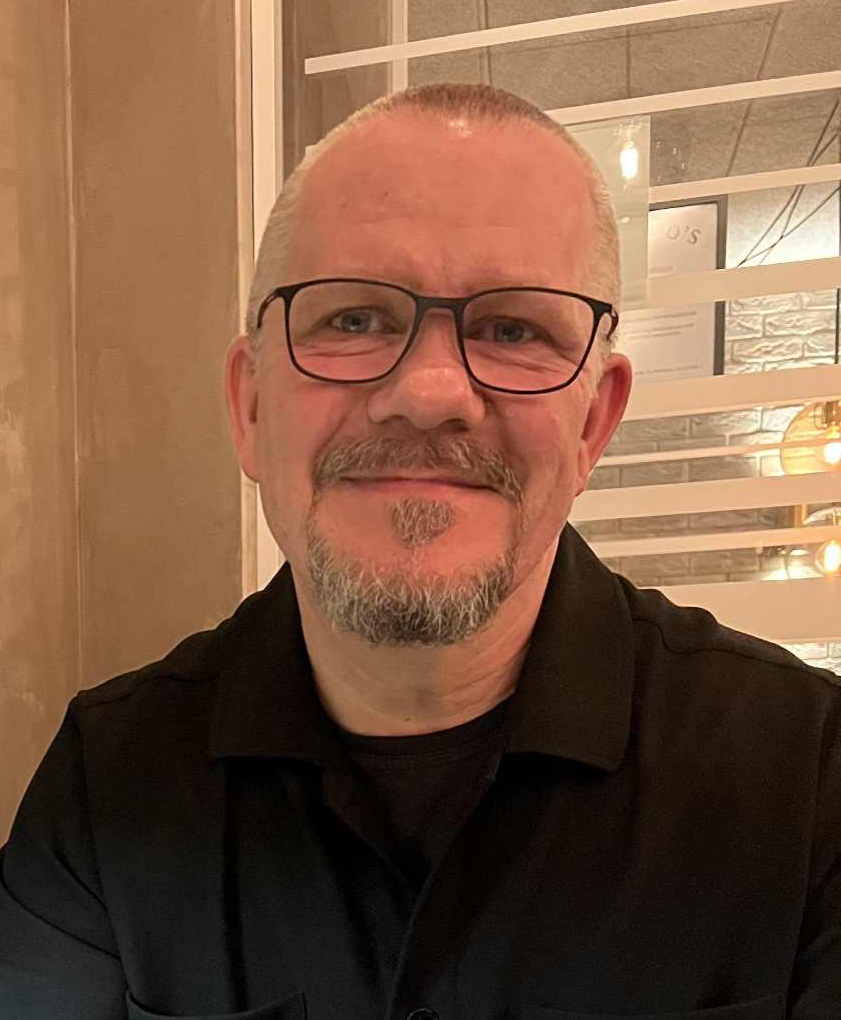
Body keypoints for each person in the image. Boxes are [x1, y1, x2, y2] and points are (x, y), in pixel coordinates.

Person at [0, 81, 838, 1020]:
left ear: (592, 425)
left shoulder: (811, 784)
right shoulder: (106, 786)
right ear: (250, 407)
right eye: (353, 320)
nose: (429, 393)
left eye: (512, 329)